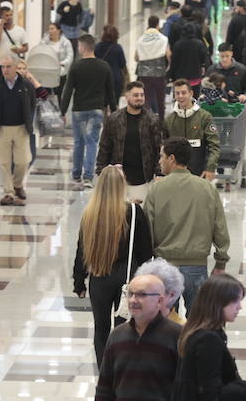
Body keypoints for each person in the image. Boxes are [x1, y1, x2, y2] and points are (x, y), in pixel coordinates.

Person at [74, 167, 154, 366]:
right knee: (124, 329)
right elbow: (145, 252)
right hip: (127, 278)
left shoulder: (90, 214)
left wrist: (79, 282)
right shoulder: (134, 212)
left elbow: (81, 251)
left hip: (99, 276)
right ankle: (121, 372)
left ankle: (104, 373)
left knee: (100, 328)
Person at [144, 138, 230, 312]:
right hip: (197, 267)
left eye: (162, 156)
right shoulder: (207, 189)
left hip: (164, 267)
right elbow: (219, 228)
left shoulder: (156, 190)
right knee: (198, 323)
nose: (159, 161)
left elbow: (147, 231)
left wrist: (147, 264)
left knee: (165, 325)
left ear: (172, 159)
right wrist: (220, 262)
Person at [61, 34, 119, 190]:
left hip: (79, 110)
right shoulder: (104, 66)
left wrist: (62, 111)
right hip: (96, 109)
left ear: (83, 47)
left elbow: (68, 91)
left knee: (79, 142)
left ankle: (76, 174)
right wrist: (114, 110)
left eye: (79, 46)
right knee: (92, 142)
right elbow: (110, 91)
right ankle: (88, 177)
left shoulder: (76, 66)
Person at [94, 82, 165, 202]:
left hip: (143, 179)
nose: (139, 98)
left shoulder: (152, 119)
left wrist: (159, 173)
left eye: (142, 95)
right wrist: (101, 169)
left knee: (141, 215)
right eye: (136, 95)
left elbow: (158, 148)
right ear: (126, 96)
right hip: (118, 179)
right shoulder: (114, 119)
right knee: (118, 216)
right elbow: (105, 146)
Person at [0, 57, 37, 206]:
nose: (5, 70)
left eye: (8, 66)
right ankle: (8, 193)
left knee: (22, 161)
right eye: (3, 67)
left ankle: (17, 184)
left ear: (16, 67)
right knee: (4, 162)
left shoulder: (26, 85)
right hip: (3, 128)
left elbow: (32, 104)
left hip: (21, 128)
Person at [163, 80, 220, 180]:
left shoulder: (205, 117)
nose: (180, 96)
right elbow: (164, 148)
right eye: (177, 93)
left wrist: (210, 168)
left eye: (184, 93)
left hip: (199, 174)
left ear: (191, 93)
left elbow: (214, 146)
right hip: (175, 177)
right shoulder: (169, 120)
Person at [134, 15, 172, 119]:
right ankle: (161, 121)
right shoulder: (163, 39)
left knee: (146, 98)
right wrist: (168, 68)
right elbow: (169, 55)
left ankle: (146, 121)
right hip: (159, 73)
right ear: (157, 25)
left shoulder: (140, 40)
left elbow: (136, 58)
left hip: (144, 74)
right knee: (160, 98)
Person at [0, 4, 29, 75]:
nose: (9, 17)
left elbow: (26, 47)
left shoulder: (20, 30)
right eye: (6, 15)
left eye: (10, 15)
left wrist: (18, 50)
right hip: (0, 64)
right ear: (1, 17)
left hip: (15, 64)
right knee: (1, 85)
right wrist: (1, 27)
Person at [93, 25, 127, 101]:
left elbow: (94, 62)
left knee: (102, 103)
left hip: (101, 79)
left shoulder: (98, 47)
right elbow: (122, 64)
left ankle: (104, 112)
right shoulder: (118, 48)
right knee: (114, 103)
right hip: (115, 79)